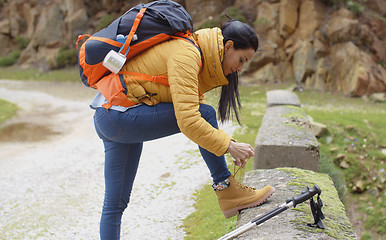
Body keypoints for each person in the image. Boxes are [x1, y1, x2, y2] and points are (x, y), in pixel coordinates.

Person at [91, 18, 275, 239]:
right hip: (119, 114)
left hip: (110, 112)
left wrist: (230, 144)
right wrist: (228, 146)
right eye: (241, 59)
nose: (240, 68)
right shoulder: (187, 54)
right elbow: (188, 120)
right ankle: (226, 189)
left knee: (115, 203)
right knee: (204, 114)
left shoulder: (193, 54)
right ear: (227, 47)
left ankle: (228, 192)